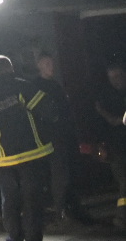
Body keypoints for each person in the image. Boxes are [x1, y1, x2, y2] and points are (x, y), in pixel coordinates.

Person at [0, 54, 55, 241]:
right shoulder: (22, 85)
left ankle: (14, 236)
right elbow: (48, 109)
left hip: (1, 158)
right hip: (30, 153)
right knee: (32, 198)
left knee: (9, 198)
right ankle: (33, 236)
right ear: (12, 68)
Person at [29, 52, 88, 222]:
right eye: (47, 63)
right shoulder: (36, 86)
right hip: (52, 138)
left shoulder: (54, 84)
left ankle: (72, 208)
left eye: (51, 63)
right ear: (39, 65)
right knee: (59, 175)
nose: (51, 66)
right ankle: (60, 210)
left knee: (68, 173)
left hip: (65, 135)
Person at [95, 61, 126, 230]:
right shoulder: (106, 98)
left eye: (118, 76)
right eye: (112, 77)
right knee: (124, 182)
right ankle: (121, 217)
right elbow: (106, 123)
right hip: (117, 147)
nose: (116, 80)